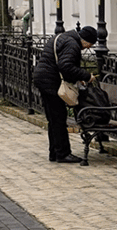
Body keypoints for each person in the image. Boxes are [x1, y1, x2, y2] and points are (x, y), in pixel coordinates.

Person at [33, 25, 96, 164]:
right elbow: (66, 66)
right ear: (85, 40)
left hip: (43, 79)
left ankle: (54, 152)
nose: (87, 48)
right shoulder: (73, 44)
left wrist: (77, 77)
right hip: (51, 82)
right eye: (89, 45)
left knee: (53, 119)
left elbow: (63, 65)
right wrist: (86, 76)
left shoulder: (62, 37)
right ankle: (63, 154)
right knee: (59, 118)